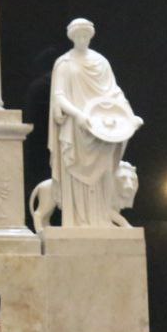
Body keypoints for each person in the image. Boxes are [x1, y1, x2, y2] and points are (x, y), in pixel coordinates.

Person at [48, 18, 142, 227]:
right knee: (76, 172)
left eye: (86, 35)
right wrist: (78, 115)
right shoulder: (64, 63)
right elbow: (59, 96)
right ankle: (77, 221)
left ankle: (101, 220)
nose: (82, 39)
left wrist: (129, 116)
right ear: (72, 37)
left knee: (103, 176)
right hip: (77, 127)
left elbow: (114, 92)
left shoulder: (101, 62)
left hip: (102, 129)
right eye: (78, 36)